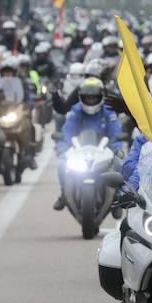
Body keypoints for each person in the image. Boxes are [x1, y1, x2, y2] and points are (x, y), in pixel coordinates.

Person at [53, 78, 125, 211]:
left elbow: (115, 132)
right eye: (88, 98)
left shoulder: (108, 111)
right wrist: (62, 147)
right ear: (81, 97)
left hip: (104, 151)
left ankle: (118, 196)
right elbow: (67, 130)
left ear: (101, 97)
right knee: (61, 163)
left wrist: (117, 148)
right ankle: (64, 194)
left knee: (119, 163)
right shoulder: (75, 110)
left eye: (94, 98)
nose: (91, 101)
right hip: (80, 151)